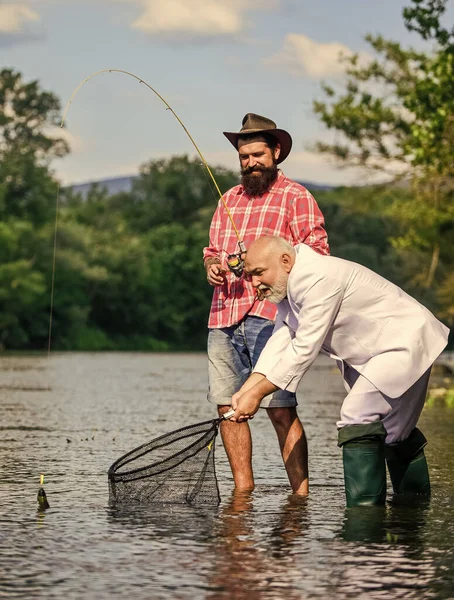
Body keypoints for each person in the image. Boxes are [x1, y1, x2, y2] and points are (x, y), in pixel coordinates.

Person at [230, 236, 449, 507]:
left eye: (258, 273)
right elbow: (280, 341)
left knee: (356, 415)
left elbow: (304, 348)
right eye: (249, 275)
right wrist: (247, 388)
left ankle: (363, 520)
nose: (253, 282)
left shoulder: (318, 278)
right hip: (388, 349)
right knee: (395, 434)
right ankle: (413, 514)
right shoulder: (288, 288)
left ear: (285, 261)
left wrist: (258, 393)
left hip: (405, 340)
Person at [203, 113, 329, 495]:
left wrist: (264, 266)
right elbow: (212, 251)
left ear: (276, 152)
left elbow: (318, 254)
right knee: (227, 409)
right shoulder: (228, 200)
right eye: (244, 157)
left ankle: (300, 494)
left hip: (273, 318)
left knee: (279, 407)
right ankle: (243, 493)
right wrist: (213, 265)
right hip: (223, 316)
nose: (251, 163)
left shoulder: (297, 197)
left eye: (258, 154)